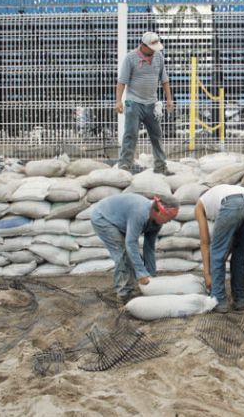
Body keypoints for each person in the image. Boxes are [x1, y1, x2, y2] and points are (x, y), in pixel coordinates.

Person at [91, 193, 180, 303]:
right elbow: (131, 243)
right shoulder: (140, 213)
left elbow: (149, 248)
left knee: (134, 256)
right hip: (103, 218)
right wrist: (141, 274)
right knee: (123, 254)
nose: (169, 221)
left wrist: (151, 277)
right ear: (159, 212)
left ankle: (135, 285)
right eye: (169, 218)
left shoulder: (157, 223)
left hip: (119, 220)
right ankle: (123, 294)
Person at [116, 31, 175, 175]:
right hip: (133, 102)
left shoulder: (158, 57)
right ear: (143, 46)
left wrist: (169, 98)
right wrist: (118, 101)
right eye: (152, 48)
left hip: (151, 103)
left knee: (156, 135)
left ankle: (160, 166)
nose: (154, 51)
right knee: (130, 134)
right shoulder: (130, 58)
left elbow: (164, 79)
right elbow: (122, 81)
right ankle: (125, 165)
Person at [194, 184, 244, 313]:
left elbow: (205, 243)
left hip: (232, 204)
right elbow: (230, 241)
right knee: (239, 254)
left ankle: (218, 301)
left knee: (216, 252)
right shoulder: (220, 192)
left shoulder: (200, 204)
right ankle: (240, 300)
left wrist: (208, 275)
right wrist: (223, 255)